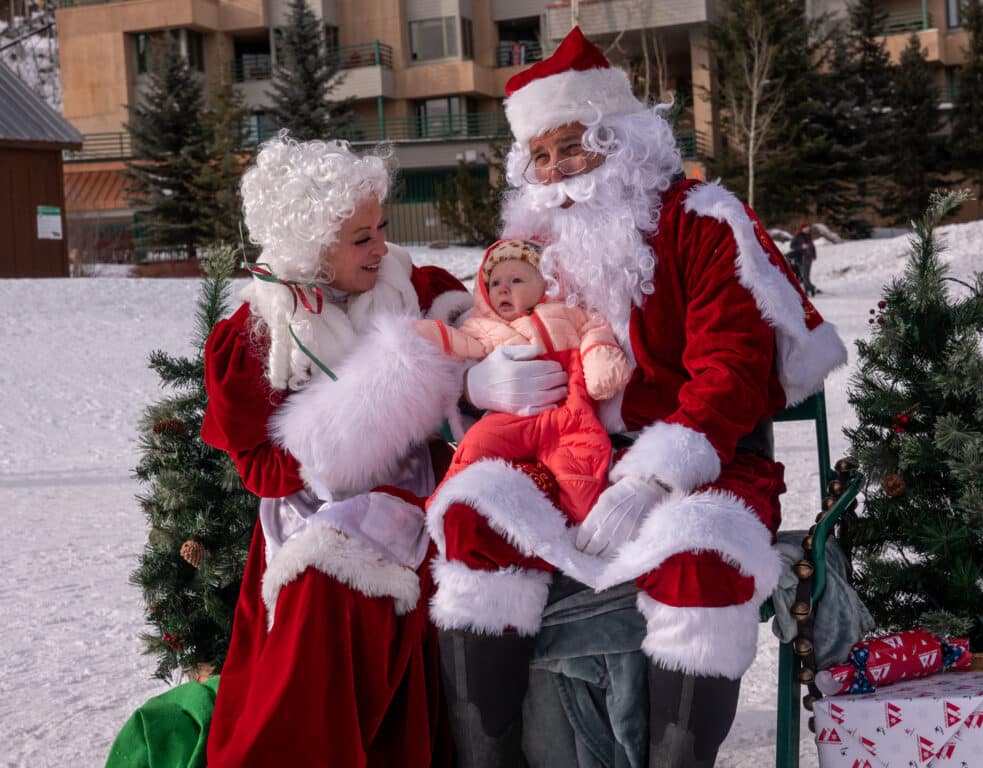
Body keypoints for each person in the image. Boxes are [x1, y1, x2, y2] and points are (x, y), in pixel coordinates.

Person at [426, 27, 848, 767]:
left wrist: (654, 473)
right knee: (472, 515)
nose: (559, 171)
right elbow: (479, 329)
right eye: (542, 156)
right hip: (556, 459)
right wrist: (475, 383)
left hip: (702, 460)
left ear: (618, 139)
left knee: (700, 556)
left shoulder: (703, 221)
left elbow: (733, 370)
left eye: (574, 145)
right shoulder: (528, 249)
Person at [200, 135, 471, 768]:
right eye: (360, 238)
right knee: (325, 585)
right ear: (311, 246)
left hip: (416, 491)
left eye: (381, 228)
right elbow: (264, 472)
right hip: (313, 510)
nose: (382, 248)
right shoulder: (254, 335)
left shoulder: (417, 286)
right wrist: (363, 416)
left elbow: (490, 342)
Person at [415, 238, 632, 525]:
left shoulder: (569, 314)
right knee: (477, 446)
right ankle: (441, 507)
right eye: (494, 284)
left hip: (569, 413)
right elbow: (459, 344)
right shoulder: (483, 326)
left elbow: (595, 330)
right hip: (511, 418)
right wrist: (428, 335)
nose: (503, 288)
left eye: (516, 279)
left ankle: (586, 527)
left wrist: (599, 358)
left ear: (546, 284)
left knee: (584, 465)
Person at [789, 222, 818, 296]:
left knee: (807, 275)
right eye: (805, 228)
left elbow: (812, 246)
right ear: (802, 229)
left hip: (809, 257)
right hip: (802, 257)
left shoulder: (809, 236)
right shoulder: (798, 236)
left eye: (808, 228)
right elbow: (792, 246)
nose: (807, 229)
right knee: (804, 275)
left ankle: (810, 289)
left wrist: (814, 255)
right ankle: (808, 290)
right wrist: (801, 246)